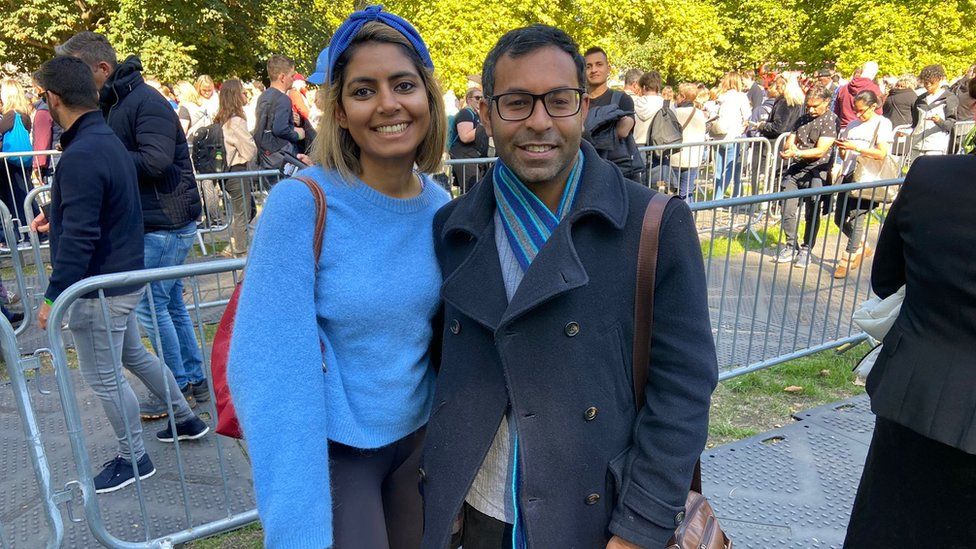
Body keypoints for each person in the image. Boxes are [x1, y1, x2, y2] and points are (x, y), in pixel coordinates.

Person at [422, 24, 717, 548]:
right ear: (486, 113)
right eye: (516, 102)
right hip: (477, 510)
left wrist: (640, 528)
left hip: (597, 517)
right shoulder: (451, 228)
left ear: (584, 107)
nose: (539, 121)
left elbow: (683, 389)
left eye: (559, 100)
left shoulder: (652, 225)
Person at [229, 7, 450, 547]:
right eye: (363, 90)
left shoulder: (441, 207)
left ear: (428, 98)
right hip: (335, 452)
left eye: (403, 84)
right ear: (341, 112)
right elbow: (267, 372)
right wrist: (296, 522)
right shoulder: (302, 205)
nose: (388, 104)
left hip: (419, 445)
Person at [32, 56, 208, 494]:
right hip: (123, 277)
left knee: (105, 376)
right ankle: (185, 419)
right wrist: (58, 213)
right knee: (134, 356)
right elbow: (100, 210)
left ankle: (134, 458)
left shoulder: (84, 151)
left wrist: (53, 296)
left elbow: (81, 238)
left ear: (53, 99)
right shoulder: (105, 140)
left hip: (100, 287)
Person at [56, 31, 209, 419]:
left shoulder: (144, 101)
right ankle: (189, 379)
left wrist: (103, 160)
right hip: (159, 218)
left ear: (102, 69)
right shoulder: (120, 101)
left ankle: (179, 386)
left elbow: (156, 160)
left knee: (154, 307)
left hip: (165, 221)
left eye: (77, 70)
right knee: (167, 304)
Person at [842, 139, 976, 547]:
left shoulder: (933, 176)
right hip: (918, 397)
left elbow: (886, 279)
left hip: (916, 394)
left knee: (888, 527)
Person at [773, 84, 838, 267]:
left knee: (813, 211)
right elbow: (789, 142)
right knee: (787, 206)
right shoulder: (802, 118)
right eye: (808, 105)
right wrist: (789, 150)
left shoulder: (831, 120)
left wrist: (797, 152)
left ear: (826, 102)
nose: (811, 109)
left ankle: (807, 248)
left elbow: (821, 150)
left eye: (815, 106)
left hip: (818, 171)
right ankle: (790, 245)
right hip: (796, 168)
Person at [832, 90, 893, 278]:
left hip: (868, 177)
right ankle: (861, 245)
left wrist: (855, 147)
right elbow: (845, 154)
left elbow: (882, 153)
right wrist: (842, 149)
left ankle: (847, 258)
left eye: (862, 111)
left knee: (857, 216)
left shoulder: (883, 123)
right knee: (839, 218)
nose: (858, 114)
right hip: (849, 174)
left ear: (873, 106)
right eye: (855, 110)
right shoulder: (852, 125)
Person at [583, 46, 644, 181]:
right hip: (588, 174)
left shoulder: (622, 99)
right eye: (589, 66)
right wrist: (608, 128)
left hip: (621, 174)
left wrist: (585, 132)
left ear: (608, 69)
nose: (594, 70)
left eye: (599, 64)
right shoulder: (578, 102)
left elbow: (623, 130)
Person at [213, 79, 257, 258]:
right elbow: (249, 150)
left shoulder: (221, 118)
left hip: (228, 172)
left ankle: (235, 245)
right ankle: (240, 250)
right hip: (237, 170)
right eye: (243, 92)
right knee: (243, 212)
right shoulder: (236, 121)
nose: (245, 95)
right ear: (236, 95)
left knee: (245, 210)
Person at [252, 54, 307, 170]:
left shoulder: (263, 97)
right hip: (281, 156)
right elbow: (280, 129)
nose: (293, 79)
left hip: (266, 155)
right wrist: (298, 134)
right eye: (292, 76)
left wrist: (291, 119)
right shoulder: (283, 99)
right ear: (282, 77)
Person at [0, 79, 36, 227]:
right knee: (25, 195)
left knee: (16, 198)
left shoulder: (10, 116)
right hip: (22, 161)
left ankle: (23, 231)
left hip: (9, 164)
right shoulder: (24, 115)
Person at [712, 71, 751, 198]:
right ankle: (718, 199)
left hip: (717, 136)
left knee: (718, 170)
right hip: (732, 136)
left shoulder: (720, 96)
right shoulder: (741, 97)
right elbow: (747, 117)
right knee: (728, 170)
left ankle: (716, 196)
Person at [909, 64, 958, 160]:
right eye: (925, 83)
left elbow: (950, 124)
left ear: (940, 79)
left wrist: (939, 120)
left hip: (936, 146)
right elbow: (914, 124)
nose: (928, 85)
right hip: (917, 145)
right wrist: (906, 132)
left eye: (931, 82)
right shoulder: (920, 99)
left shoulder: (949, 98)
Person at [672, 82, 709, 201]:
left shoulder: (675, 113)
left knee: (674, 191)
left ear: (683, 96)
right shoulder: (700, 114)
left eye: (678, 94)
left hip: (675, 156)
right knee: (687, 191)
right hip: (693, 157)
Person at [449, 87, 488, 191]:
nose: (480, 100)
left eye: (482, 98)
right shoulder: (465, 113)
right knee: (471, 191)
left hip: (473, 158)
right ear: (469, 100)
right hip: (464, 158)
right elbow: (465, 137)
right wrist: (484, 124)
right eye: (477, 97)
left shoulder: (477, 115)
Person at [834, 61, 883, 129]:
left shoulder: (843, 88)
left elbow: (836, 112)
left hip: (843, 129)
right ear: (874, 74)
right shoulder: (875, 90)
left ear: (862, 71)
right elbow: (878, 114)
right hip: (865, 130)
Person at [632, 70, 664, 146]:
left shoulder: (633, 103)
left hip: (636, 146)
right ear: (658, 87)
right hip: (659, 148)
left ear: (643, 87)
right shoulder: (667, 105)